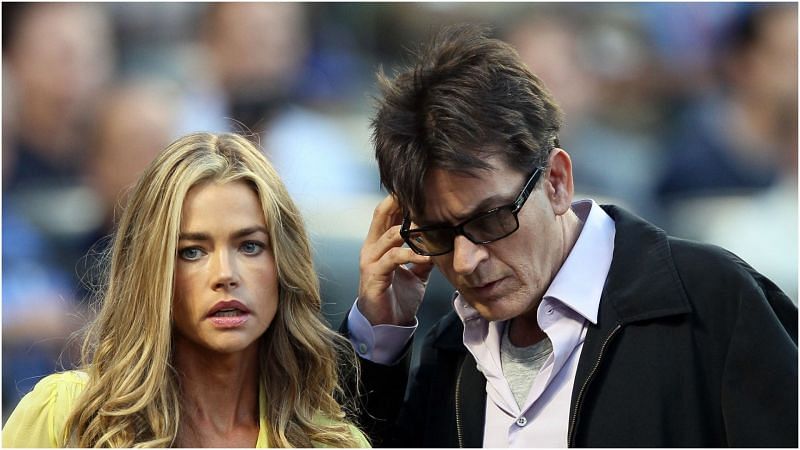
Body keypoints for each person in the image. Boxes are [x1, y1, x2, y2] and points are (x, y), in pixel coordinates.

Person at [344, 24, 797, 447]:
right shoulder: (449, 351)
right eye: (438, 233)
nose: (464, 262)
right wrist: (378, 337)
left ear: (557, 181)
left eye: (491, 219)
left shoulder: (711, 300)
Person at [3, 132, 369, 447]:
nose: (225, 275)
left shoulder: (332, 442)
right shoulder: (67, 419)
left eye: (250, 246)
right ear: (152, 270)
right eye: (192, 252)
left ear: (284, 264)